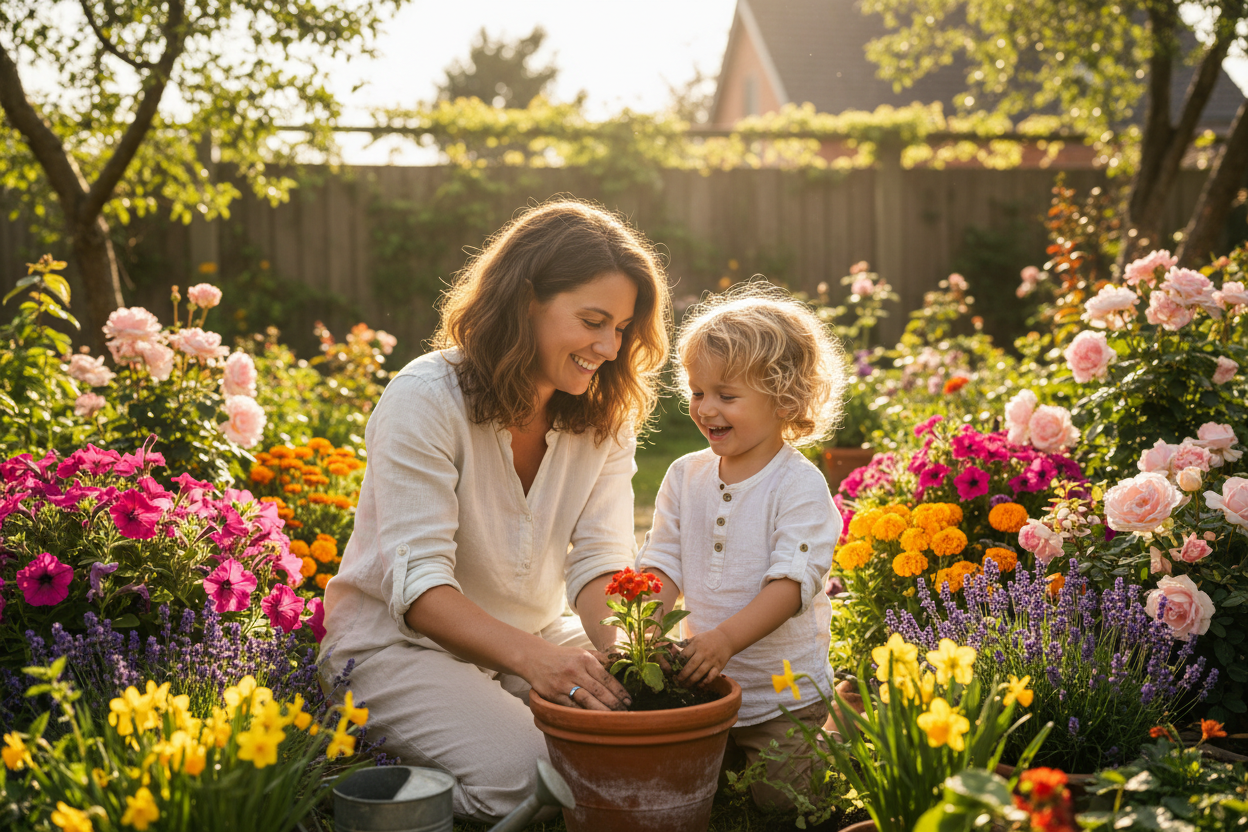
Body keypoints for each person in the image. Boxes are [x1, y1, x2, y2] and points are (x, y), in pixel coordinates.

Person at [319, 200, 672, 822]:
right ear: (526, 299)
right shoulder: (425, 399)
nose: (609, 348)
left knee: (645, 729)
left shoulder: (605, 416)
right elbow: (421, 590)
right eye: (592, 321)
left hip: (534, 634)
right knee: (527, 774)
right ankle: (355, 777)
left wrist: (623, 657)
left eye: (620, 328)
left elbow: (599, 561)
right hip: (397, 647)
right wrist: (539, 666)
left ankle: (473, 734)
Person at [637, 283, 847, 810]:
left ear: (785, 399)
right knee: (691, 792)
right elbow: (661, 560)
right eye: (697, 391)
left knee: (781, 802)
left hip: (783, 693)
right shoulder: (686, 475)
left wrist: (725, 639)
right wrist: (649, 626)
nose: (706, 408)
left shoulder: (797, 486)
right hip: (704, 687)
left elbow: (790, 585)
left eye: (727, 396)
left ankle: (843, 725)